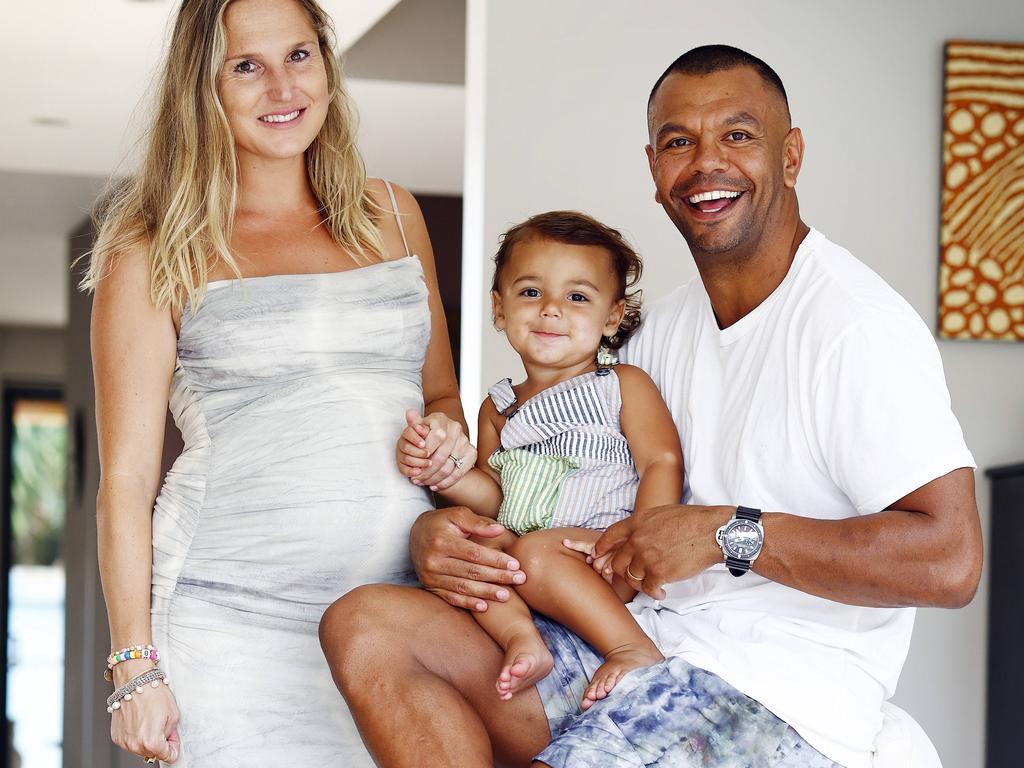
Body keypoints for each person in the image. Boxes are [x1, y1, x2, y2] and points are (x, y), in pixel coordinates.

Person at [319, 44, 982, 768]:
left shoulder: (853, 327)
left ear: (790, 156)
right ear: (654, 170)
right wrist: (442, 533)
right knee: (368, 625)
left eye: (737, 135)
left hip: (772, 695)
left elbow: (950, 562)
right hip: (638, 645)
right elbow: (552, 469)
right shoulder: (660, 330)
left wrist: (734, 533)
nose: (706, 164)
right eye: (678, 142)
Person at [83, 0, 470, 765]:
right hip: (229, 627)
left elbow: (439, 397)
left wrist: (451, 436)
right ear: (205, 87)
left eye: (298, 56)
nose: (282, 88)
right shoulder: (154, 247)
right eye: (246, 67)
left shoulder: (393, 214)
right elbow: (126, 478)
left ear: (326, 62)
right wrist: (134, 665)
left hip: (394, 621)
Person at [395, 211, 682, 705]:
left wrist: (641, 539)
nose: (550, 310)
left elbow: (661, 462)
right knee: (475, 548)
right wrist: (444, 472)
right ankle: (522, 639)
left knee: (532, 552)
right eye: (530, 293)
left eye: (577, 297)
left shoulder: (620, 386)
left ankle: (632, 647)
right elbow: (493, 496)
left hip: (604, 557)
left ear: (611, 316)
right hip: (532, 560)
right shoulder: (498, 408)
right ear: (499, 308)